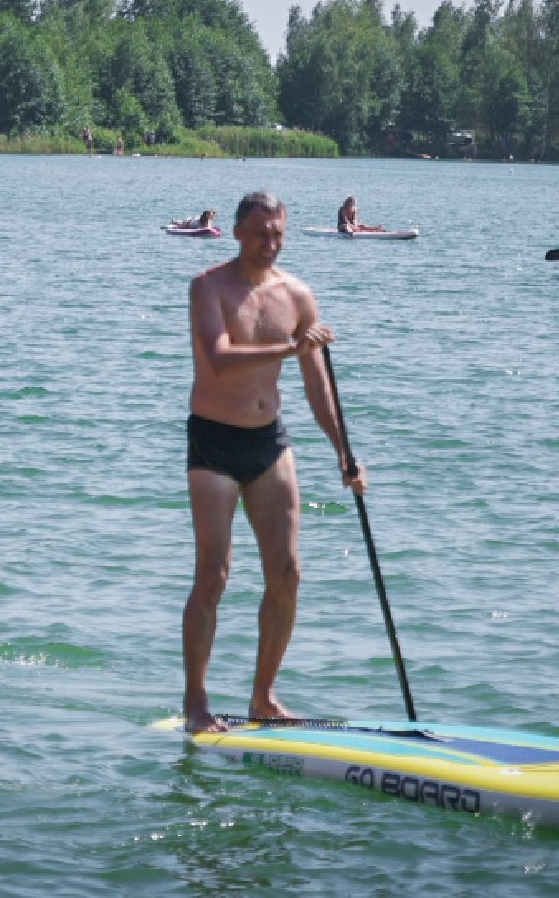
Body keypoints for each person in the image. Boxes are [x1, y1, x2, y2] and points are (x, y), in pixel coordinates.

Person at [182, 191, 367, 733]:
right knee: (213, 577)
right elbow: (217, 359)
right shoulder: (208, 287)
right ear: (238, 232)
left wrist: (344, 455)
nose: (271, 243)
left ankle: (264, 696)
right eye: (261, 233)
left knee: (287, 574)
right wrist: (292, 348)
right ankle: (196, 703)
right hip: (214, 444)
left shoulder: (298, 294)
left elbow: (317, 385)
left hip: (270, 443)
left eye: (279, 233)